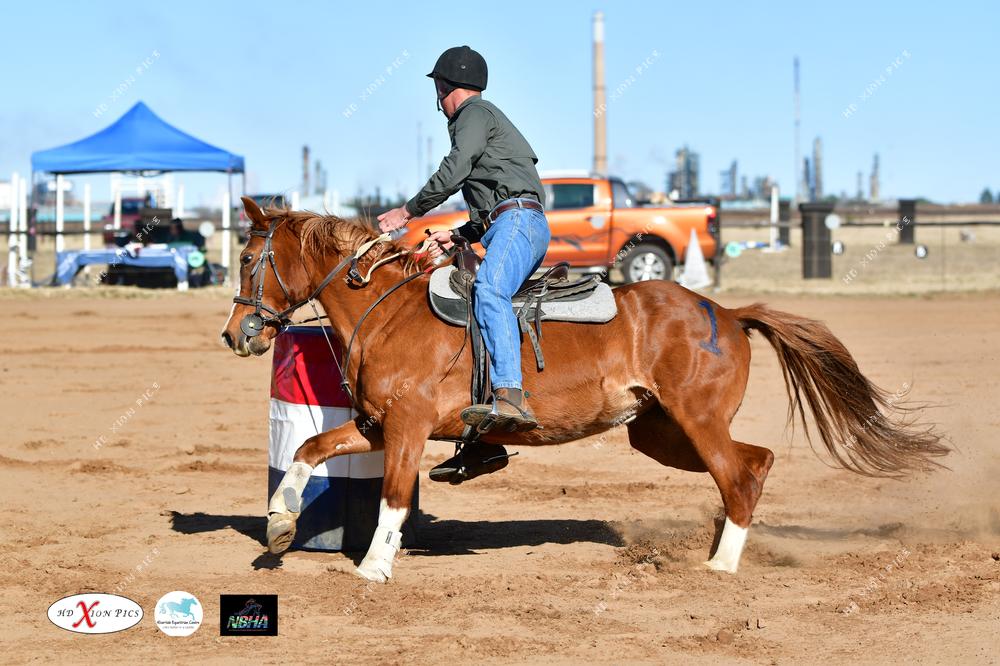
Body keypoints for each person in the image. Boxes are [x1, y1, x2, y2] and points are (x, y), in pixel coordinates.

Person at [377, 46, 550, 479]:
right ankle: (482, 444)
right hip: (507, 223)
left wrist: (409, 211)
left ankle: (510, 396)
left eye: (437, 88)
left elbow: (456, 168)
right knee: (472, 314)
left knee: (489, 291)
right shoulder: (484, 119)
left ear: (443, 87)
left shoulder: (473, 115)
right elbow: (487, 207)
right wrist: (456, 235)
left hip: (519, 224)